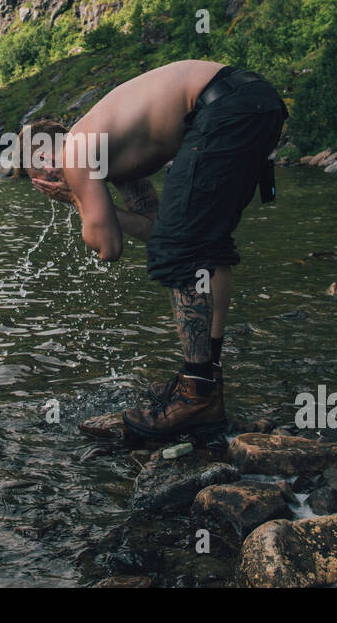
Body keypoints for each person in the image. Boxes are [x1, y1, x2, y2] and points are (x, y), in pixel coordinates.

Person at [15, 59, 287, 441]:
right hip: (253, 101)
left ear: (43, 155)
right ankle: (205, 378)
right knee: (205, 246)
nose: (44, 182)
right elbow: (157, 230)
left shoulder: (76, 150)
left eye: (37, 175)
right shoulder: (109, 153)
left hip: (227, 107)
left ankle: (197, 396)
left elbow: (108, 248)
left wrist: (79, 202)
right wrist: (103, 206)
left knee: (185, 249)